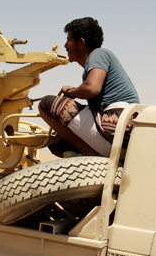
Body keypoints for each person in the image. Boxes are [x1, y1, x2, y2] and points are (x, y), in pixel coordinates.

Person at [39, 17, 139, 157]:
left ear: (81, 43)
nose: (65, 45)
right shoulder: (95, 62)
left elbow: (91, 88)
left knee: (45, 104)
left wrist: (70, 91)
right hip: (121, 135)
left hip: (115, 129)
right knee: (57, 144)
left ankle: (91, 155)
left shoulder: (99, 54)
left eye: (68, 40)